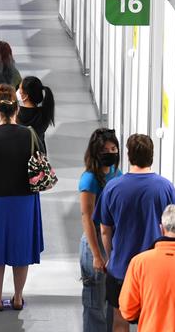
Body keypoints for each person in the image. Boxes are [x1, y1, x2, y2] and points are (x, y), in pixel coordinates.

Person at [93, 134, 175, 332]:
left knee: (119, 319)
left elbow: (105, 230)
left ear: (128, 155)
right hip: (156, 270)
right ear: (152, 155)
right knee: (153, 320)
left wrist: (110, 256)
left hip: (121, 268)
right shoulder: (165, 187)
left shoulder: (113, 187)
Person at [0, 85, 43, 312]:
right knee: (20, 249)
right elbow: (40, 159)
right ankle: (18, 297)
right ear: (16, 110)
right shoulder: (28, 134)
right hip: (24, 199)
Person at [78, 128, 122, 331]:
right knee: (94, 300)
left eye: (114, 148)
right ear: (96, 152)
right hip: (95, 239)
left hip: (113, 238)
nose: (111, 153)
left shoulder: (116, 173)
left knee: (111, 298)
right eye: (106, 149)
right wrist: (96, 255)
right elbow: (87, 217)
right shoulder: (89, 179)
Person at [16, 76, 55, 153]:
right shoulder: (44, 114)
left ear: (26, 96)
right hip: (38, 157)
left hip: (20, 155)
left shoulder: (16, 114)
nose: (17, 91)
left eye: (19, 89)